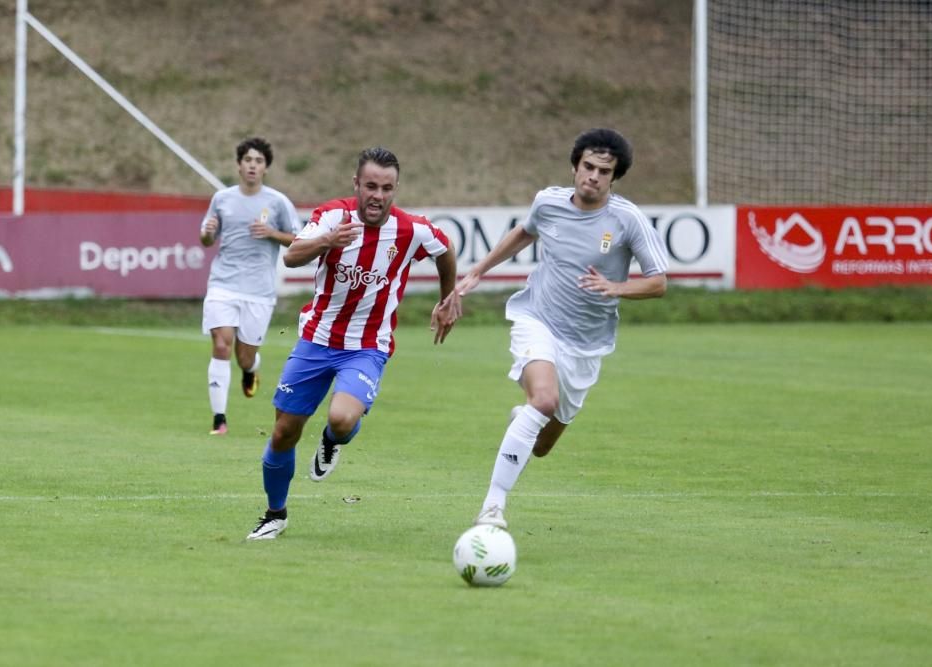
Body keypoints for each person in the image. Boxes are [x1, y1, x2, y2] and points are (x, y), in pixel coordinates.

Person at [445, 128, 670, 530]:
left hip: (587, 344)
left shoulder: (627, 219)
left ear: (614, 178)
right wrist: (478, 270)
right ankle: (492, 507)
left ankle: (526, 417)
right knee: (544, 400)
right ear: (574, 166)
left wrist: (616, 287)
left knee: (543, 445)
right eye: (588, 166)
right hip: (537, 319)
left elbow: (658, 282)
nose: (594, 176)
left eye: (605, 171)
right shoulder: (547, 202)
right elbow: (524, 232)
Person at [246, 146, 459, 540]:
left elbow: (445, 253)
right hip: (316, 340)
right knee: (283, 433)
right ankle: (275, 513)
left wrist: (448, 299)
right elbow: (292, 257)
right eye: (371, 186)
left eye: (387, 188)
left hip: (367, 346)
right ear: (356, 184)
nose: (378, 195)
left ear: (396, 189)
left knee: (341, 420)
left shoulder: (411, 230)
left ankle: (332, 441)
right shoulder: (332, 217)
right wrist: (328, 240)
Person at [199, 137, 301, 436]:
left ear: (266, 168)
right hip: (223, 284)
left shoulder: (278, 202)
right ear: (239, 165)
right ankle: (219, 419)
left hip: (259, 290)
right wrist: (208, 233)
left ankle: (251, 368)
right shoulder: (222, 199)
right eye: (248, 160)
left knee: (244, 356)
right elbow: (206, 239)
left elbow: (298, 239)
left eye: (259, 161)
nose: (253, 166)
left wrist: (271, 233)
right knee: (221, 344)